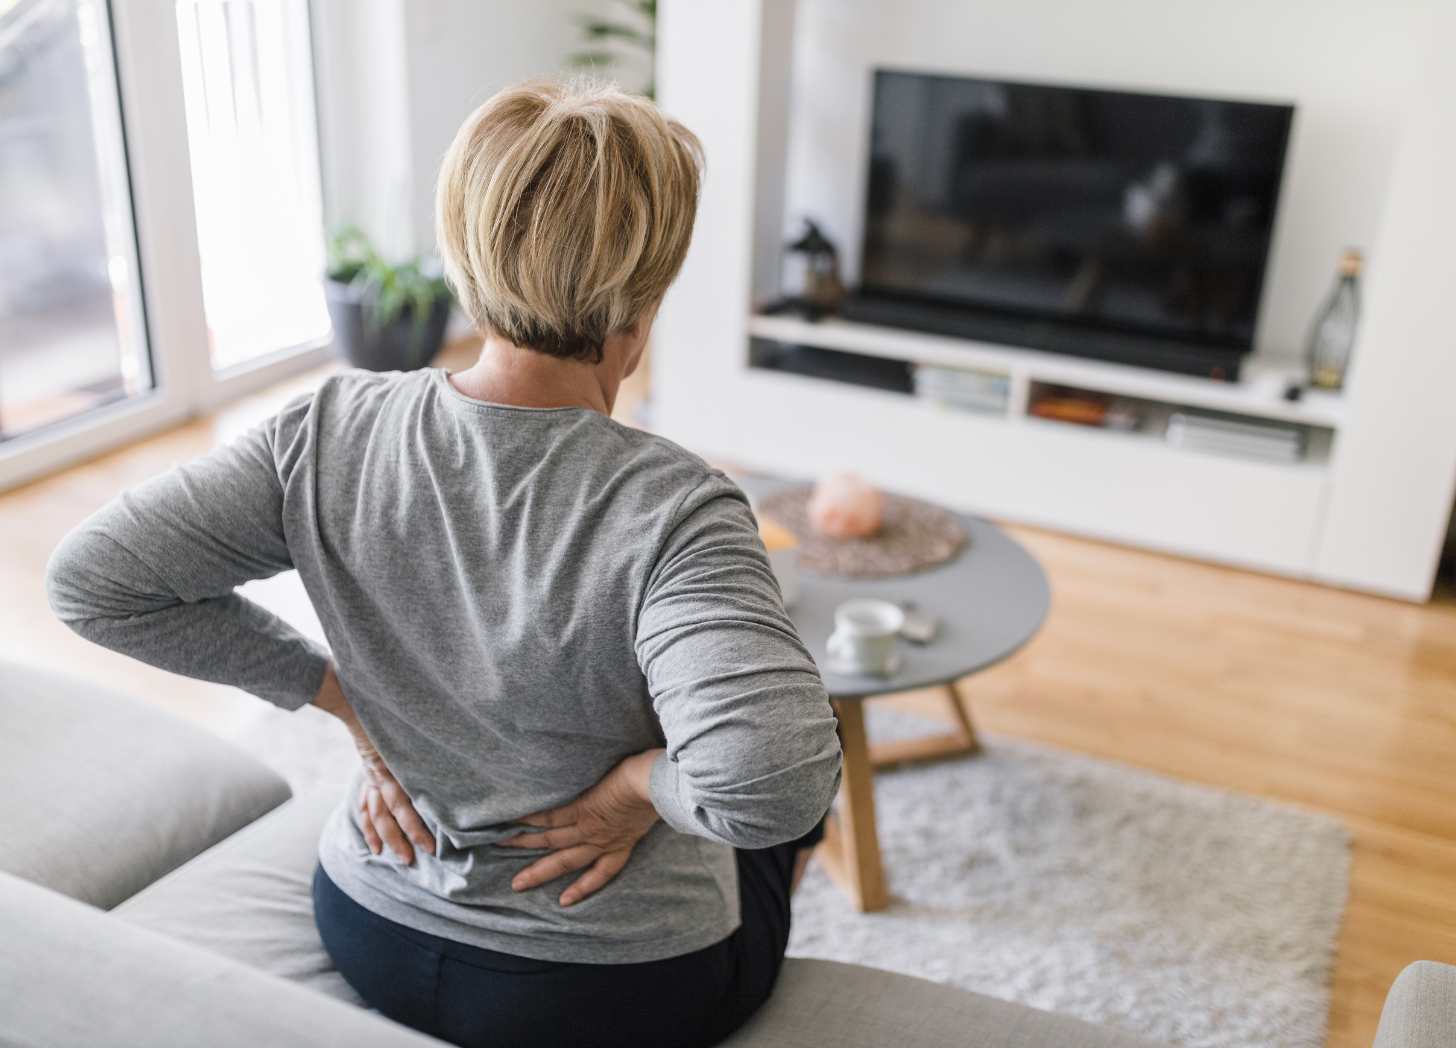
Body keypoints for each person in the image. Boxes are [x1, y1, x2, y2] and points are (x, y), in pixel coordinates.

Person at [45, 79, 842, 1048]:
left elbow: (91, 580)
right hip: (609, 992)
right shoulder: (676, 507)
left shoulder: (325, 428)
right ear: (646, 303)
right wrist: (633, 790)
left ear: (467, 264)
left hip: (370, 925)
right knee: (798, 795)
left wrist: (344, 703)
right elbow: (773, 785)